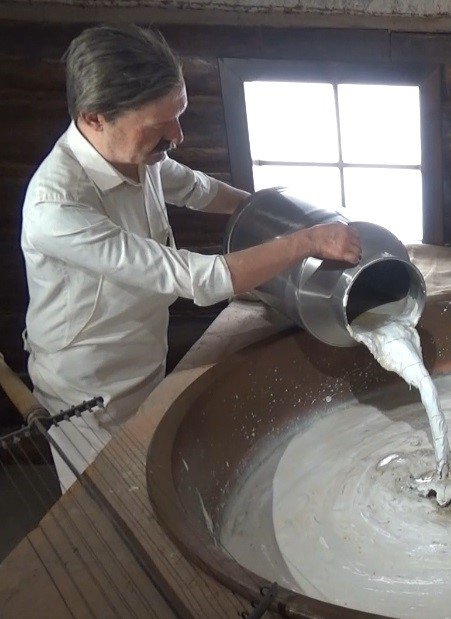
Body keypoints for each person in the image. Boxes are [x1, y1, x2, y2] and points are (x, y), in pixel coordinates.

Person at [21, 24, 361, 489]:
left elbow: (197, 188)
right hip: (88, 393)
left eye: (178, 116)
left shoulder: (140, 155)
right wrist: (306, 241)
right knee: (108, 506)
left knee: (148, 482)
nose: (177, 136)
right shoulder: (57, 207)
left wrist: (273, 214)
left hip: (145, 357)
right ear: (95, 118)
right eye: (159, 125)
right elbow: (193, 278)